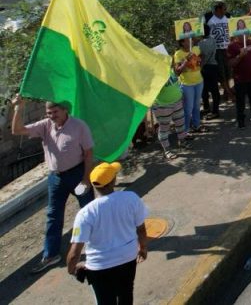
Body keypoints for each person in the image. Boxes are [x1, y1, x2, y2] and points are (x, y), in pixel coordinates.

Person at [9, 95, 95, 272]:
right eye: (49, 113)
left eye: (55, 112)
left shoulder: (79, 126)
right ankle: (51, 254)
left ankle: (100, 243)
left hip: (77, 174)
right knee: (53, 215)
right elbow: (17, 131)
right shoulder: (45, 126)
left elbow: (88, 153)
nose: (52, 116)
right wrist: (18, 107)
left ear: (65, 110)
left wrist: (86, 178)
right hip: (55, 178)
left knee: (89, 209)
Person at [66, 162, 149, 304]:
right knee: (126, 293)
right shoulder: (131, 198)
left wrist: (72, 269)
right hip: (127, 258)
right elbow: (141, 229)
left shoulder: (85, 213)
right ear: (113, 181)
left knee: (105, 300)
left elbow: (74, 253)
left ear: (93, 185)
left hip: (99, 267)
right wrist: (142, 249)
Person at [228, 32, 251, 128]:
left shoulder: (248, 41)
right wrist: (240, 56)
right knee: (240, 101)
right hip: (240, 79)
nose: (246, 34)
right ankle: (240, 120)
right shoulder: (232, 46)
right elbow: (231, 63)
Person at [173, 38, 204, 139]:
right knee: (188, 108)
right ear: (182, 42)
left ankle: (197, 125)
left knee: (196, 105)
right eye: (188, 40)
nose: (191, 40)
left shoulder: (196, 48)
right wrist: (186, 61)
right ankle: (185, 131)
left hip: (199, 81)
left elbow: (202, 58)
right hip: (187, 84)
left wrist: (199, 61)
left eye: (191, 39)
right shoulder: (178, 54)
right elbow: (177, 72)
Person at [151, 73, 186, 159]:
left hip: (177, 101)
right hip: (162, 105)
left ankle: (182, 141)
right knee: (164, 128)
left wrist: (180, 92)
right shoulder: (154, 73)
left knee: (180, 123)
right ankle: (167, 150)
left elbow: (176, 81)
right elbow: (152, 90)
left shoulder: (169, 68)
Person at [198, 27, 221, 119]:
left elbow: (203, 57)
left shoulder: (200, 43)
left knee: (205, 89)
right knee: (214, 90)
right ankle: (214, 110)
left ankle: (208, 108)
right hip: (214, 66)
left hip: (205, 67)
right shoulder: (213, 40)